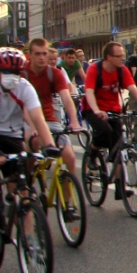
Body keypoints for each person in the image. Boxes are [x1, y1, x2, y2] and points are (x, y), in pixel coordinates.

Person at [0, 48, 58, 234]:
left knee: (21, 190)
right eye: (7, 72)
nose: (12, 76)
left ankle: (30, 242)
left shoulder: (24, 87)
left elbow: (38, 118)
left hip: (11, 134)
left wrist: (49, 145)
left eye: (16, 72)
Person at [83, 42, 137, 200]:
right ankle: (93, 152)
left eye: (123, 55)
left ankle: (119, 188)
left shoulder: (122, 70)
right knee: (104, 132)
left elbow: (133, 89)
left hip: (114, 109)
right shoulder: (95, 69)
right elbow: (88, 92)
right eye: (119, 56)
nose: (123, 59)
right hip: (93, 108)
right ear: (108, 57)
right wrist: (96, 111)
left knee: (118, 148)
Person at [22, 38, 83, 178]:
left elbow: (66, 98)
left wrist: (74, 121)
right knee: (32, 147)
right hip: (26, 122)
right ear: (29, 55)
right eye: (37, 54)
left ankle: (67, 200)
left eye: (44, 53)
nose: (42, 57)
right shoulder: (22, 73)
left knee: (70, 157)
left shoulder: (54, 73)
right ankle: (27, 180)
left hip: (49, 121)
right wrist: (32, 126)